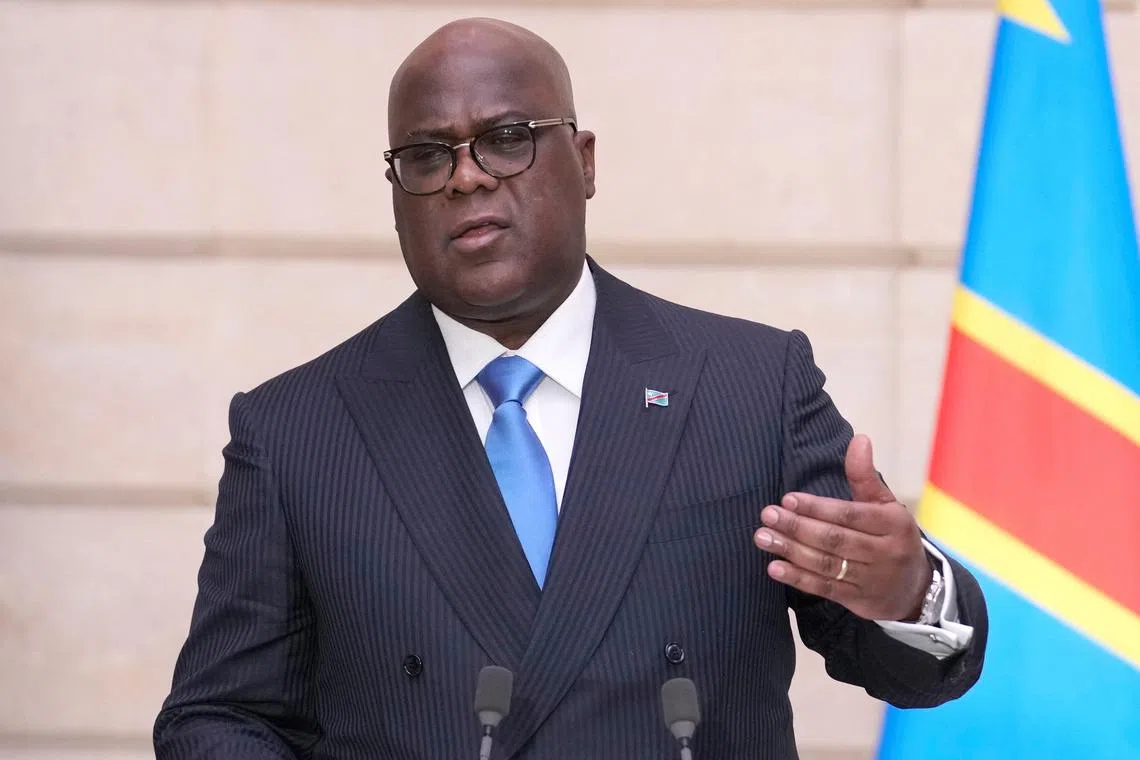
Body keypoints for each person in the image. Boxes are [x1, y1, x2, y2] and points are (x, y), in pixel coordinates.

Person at [154, 17, 987, 760]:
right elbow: (219, 717)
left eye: (507, 137)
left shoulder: (748, 385)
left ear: (583, 163)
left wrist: (906, 589)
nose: (466, 178)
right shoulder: (297, 430)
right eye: (426, 155)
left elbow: (905, 668)